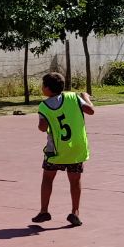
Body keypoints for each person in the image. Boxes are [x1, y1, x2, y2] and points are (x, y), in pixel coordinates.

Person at [32, 72, 94, 227]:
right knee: (75, 180)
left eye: (43, 85)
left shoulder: (44, 106)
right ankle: (75, 212)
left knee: (48, 178)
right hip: (76, 148)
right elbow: (90, 110)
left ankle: (44, 211)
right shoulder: (73, 97)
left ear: (47, 88)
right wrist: (86, 97)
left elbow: (42, 127)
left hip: (56, 150)